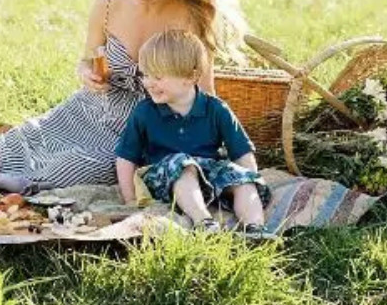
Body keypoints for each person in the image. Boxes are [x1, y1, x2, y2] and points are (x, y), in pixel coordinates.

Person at [0, 0, 253, 194]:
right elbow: (87, 58)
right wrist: (87, 73)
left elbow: (204, 90)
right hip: (90, 107)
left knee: (76, 167)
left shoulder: (194, 16)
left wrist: (211, 143)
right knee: (22, 141)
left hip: (145, 123)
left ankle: (10, 185)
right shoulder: (108, 3)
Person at [114, 29, 274, 238]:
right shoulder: (144, 112)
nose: (148, 83)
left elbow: (242, 153)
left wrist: (249, 178)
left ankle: (255, 230)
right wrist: (130, 200)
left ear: (190, 77)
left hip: (208, 174)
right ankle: (204, 222)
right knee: (183, 164)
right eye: (146, 75)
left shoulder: (216, 109)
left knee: (242, 179)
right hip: (164, 177)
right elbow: (126, 158)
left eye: (158, 77)